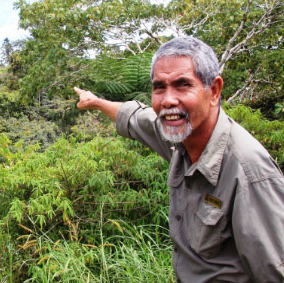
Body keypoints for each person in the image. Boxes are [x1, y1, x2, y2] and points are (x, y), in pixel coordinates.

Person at [74, 36, 284, 283]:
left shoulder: (249, 173)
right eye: (159, 87)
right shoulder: (178, 136)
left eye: (183, 85)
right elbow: (134, 117)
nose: (168, 100)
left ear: (214, 91)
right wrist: (96, 102)